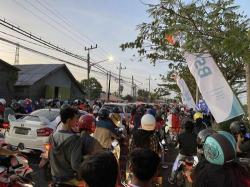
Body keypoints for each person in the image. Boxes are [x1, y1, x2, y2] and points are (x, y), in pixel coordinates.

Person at [48, 107, 82, 186]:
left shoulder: (52, 136)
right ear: (68, 121)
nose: (77, 122)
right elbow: (75, 165)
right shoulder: (75, 139)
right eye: (75, 119)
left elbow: (49, 157)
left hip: (55, 177)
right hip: (69, 179)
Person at [168, 118, 197, 184]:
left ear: (185, 127)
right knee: (194, 168)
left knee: (175, 166)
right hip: (192, 156)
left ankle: (172, 179)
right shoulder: (196, 136)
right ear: (192, 128)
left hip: (182, 154)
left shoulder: (180, 135)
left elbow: (175, 144)